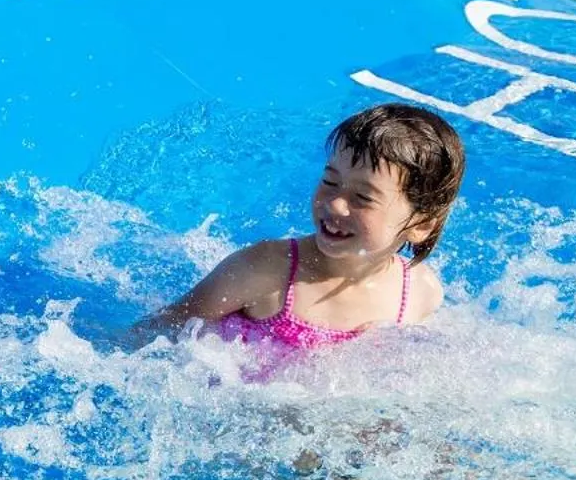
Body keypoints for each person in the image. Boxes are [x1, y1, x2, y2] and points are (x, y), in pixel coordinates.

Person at [148, 104, 466, 349]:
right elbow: (162, 330)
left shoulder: (419, 293)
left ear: (421, 225)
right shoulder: (264, 271)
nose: (335, 204)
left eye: (362, 197)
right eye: (330, 181)